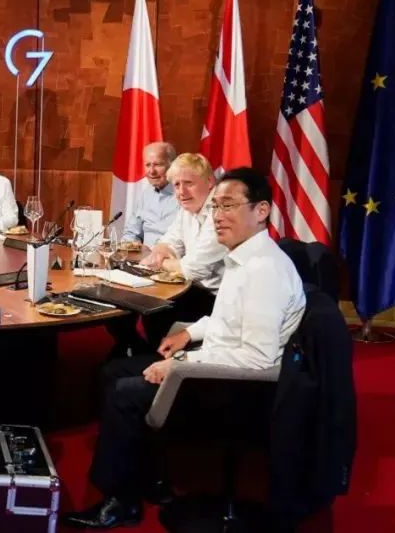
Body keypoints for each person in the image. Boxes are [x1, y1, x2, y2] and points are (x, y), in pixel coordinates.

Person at [61, 167, 307, 530]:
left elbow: (257, 359)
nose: (218, 215)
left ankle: (120, 500)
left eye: (229, 206)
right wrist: (189, 334)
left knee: (125, 392)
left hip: (233, 388)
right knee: (113, 371)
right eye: (215, 207)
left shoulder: (264, 270)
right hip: (215, 361)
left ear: (261, 210)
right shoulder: (245, 256)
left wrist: (180, 365)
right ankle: (149, 476)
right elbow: (228, 319)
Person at [134, 152, 227, 348]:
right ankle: (140, 351)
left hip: (219, 301)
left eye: (188, 183)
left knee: (155, 307)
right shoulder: (188, 207)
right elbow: (169, 240)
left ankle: (153, 355)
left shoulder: (220, 213)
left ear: (210, 182)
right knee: (143, 299)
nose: (181, 192)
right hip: (194, 289)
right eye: (176, 185)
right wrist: (161, 250)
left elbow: (193, 269)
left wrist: (161, 262)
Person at [120, 142, 179, 247]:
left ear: (172, 165)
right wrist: (131, 247)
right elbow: (131, 233)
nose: (151, 171)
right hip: (144, 256)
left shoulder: (184, 195)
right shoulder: (146, 194)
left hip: (172, 255)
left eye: (158, 165)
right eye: (148, 165)